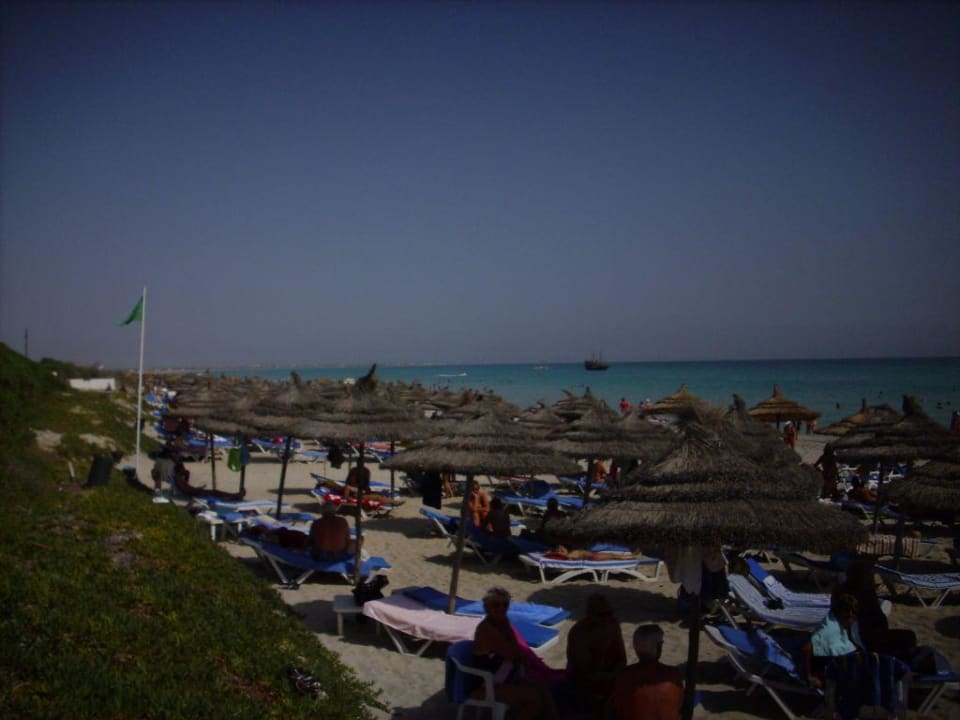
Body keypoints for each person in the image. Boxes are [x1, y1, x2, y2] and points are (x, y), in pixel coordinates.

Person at [472, 587, 559, 720]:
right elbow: (513, 653)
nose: (501, 608)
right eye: (496, 605)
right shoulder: (487, 629)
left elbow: (516, 650)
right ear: (486, 607)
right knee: (533, 699)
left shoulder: (503, 622)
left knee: (544, 691)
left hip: (504, 677)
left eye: (505, 604)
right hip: (487, 685)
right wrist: (517, 652)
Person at [836, 556, 916, 664]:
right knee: (908, 638)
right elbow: (856, 623)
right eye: (869, 573)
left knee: (908, 637)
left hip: (871, 635)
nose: (871, 576)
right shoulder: (858, 594)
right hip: (870, 639)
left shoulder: (855, 590)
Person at [565, 594, 627, 715]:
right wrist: (602, 648)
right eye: (602, 615)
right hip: (584, 684)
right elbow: (586, 673)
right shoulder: (579, 633)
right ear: (590, 615)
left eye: (609, 613)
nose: (607, 618)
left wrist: (616, 675)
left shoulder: (613, 624)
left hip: (609, 677)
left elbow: (622, 658)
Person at [608, 624, 683, 720]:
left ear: (635, 647)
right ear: (659, 646)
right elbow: (680, 704)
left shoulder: (623, 676)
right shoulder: (674, 675)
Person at [803, 592, 862, 688]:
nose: (854, 621)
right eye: (854, 618)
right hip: (823, 670)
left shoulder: (838, 623)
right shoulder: (830, 629)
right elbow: (807, 647)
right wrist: (809, 676)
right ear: (848, 614)